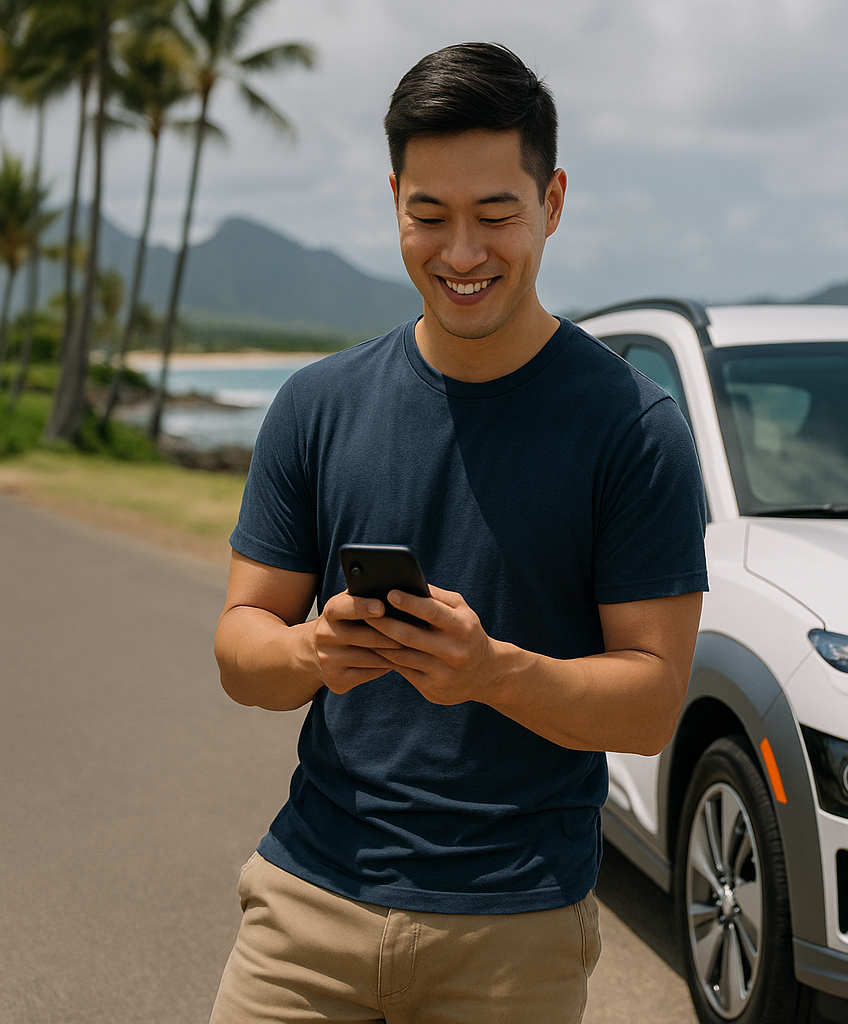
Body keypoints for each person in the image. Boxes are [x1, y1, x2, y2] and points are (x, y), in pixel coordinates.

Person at [209, 42, 707, 1023]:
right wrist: (315, 646)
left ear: (553, 203)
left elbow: (651, 704)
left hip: (513, 928)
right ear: (394, 198)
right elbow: (239, 651)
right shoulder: (316, 406)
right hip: (307, 897)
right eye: (429, 215)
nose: (463, 253)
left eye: (497, 215)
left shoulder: (634, 431)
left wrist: (491, 671)